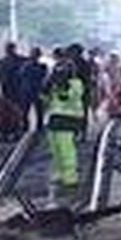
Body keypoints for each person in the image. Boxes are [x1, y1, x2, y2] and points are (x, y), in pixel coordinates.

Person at [42, 55, 85, 197]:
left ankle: (70, 178)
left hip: (68, 120)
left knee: (66, 149)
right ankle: (58, 174)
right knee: (55, 149)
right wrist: (47, 86)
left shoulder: (76, 83)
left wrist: (61, 83)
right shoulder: (53, 82)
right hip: (54, 119)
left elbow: (67, 97)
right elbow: (45, 98)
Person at [17, 47, 49, 130]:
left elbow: (44, 78)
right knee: (25, 111)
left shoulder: (41, 66)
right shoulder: (26, 66)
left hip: (34, 91)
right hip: (28, 91)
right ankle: (26, 127)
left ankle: (38, 128)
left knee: (38, 112)